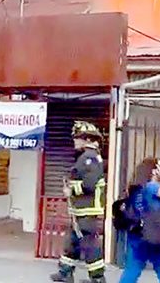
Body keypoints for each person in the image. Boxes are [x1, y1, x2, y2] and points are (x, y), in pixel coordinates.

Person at [50, 121, 107, 283]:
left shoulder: (90, 158)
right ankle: (65, 272)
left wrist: (71, 190)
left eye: (78, 137)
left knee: (89, 243)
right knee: (73, 241)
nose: (75, 141)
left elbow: (89, 184)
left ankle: (97, 278)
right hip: (80, 210)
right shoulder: (87, 156)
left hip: (87, 210)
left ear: (87, 139)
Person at [118, 157, 160, 283]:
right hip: (154, 235)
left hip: (137, 235)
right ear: (154, 171)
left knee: (132, 269)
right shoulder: (152, 187)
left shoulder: (134, 189)